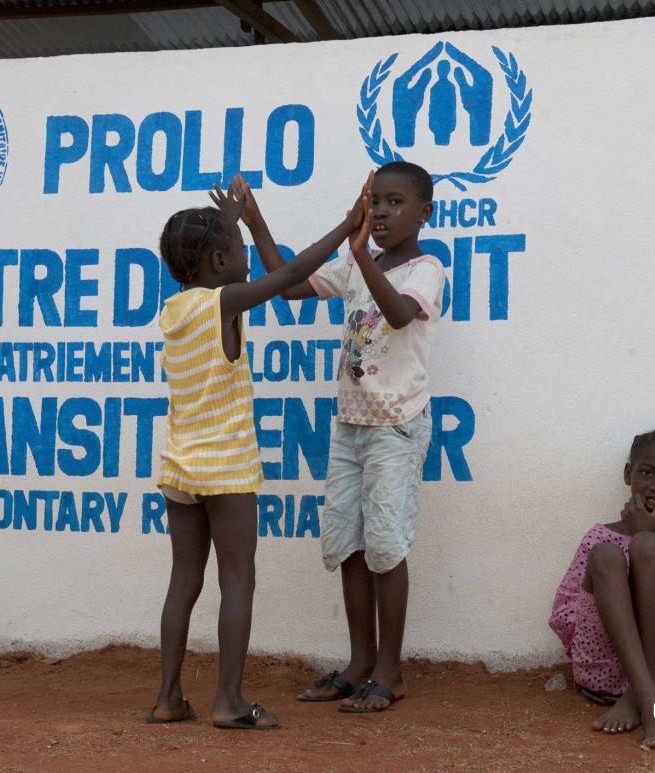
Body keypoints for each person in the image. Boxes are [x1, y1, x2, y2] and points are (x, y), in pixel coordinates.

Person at [148, 174, 373, 730]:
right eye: (239, 246)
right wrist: (346, 227)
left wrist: (240, 222)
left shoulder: (175, 309)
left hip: (179, 467)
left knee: (182, 582)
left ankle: (168, 698)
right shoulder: (223, 303)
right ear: (219, 261)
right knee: (237, 580)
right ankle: (228, 701)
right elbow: (291, 275)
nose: (247, 255)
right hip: (225, 470)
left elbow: (249, 271)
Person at [259, 161, 445, 713]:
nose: (381, 212)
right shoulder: (356, 262)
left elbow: (399, 315)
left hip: (396, 426)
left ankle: (391, 670)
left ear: (424, 213)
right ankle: (360, 663)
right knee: (349, 545)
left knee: (386, 547)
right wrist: (255, 221)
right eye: (374, 202)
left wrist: (361, 254)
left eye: (394, 202)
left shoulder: (426, 268)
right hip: (350, 426)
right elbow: (287, 285)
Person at [549, 427, 655, 750]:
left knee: (649, 546)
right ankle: (647, 697)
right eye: (647, 473)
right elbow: (565, 612)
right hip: (602, 668)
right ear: (629, 474)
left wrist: (645, 536)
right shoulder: (599, 536)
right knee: (605, 555)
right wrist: (610, 598)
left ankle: (641, 695)